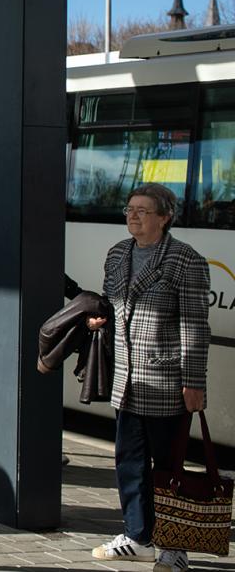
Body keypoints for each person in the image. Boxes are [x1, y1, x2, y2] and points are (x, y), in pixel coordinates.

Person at [87, 184, 210, 572]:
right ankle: (138, 537)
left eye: (143, 210)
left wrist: (193, 381)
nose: (133, 216)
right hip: (127, 378)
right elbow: (112, 305)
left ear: (164, 217)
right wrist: (98, 320)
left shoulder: (185, 260)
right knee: (129, 461)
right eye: (130, 209)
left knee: (167, 466)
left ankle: (175, 547)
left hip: (166, 380)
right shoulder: (118, 254)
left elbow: (195, 326)